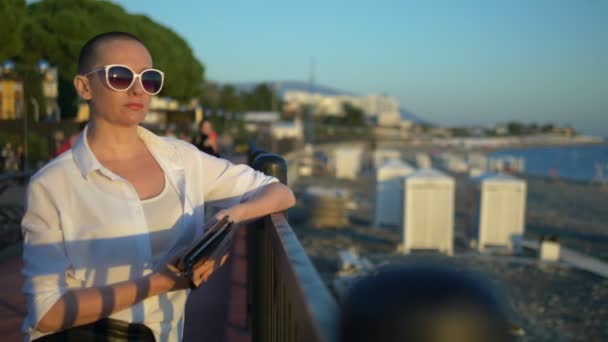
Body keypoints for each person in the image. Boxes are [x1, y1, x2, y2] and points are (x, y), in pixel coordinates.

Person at [21, 31, 295, 341]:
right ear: (84, 87)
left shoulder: (182, 159)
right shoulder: (53, 183)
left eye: (149, 79)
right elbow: (46, 313)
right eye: (120, 76)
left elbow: (279, 191)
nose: (138, 89)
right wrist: (160, 282)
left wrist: (229, 218)